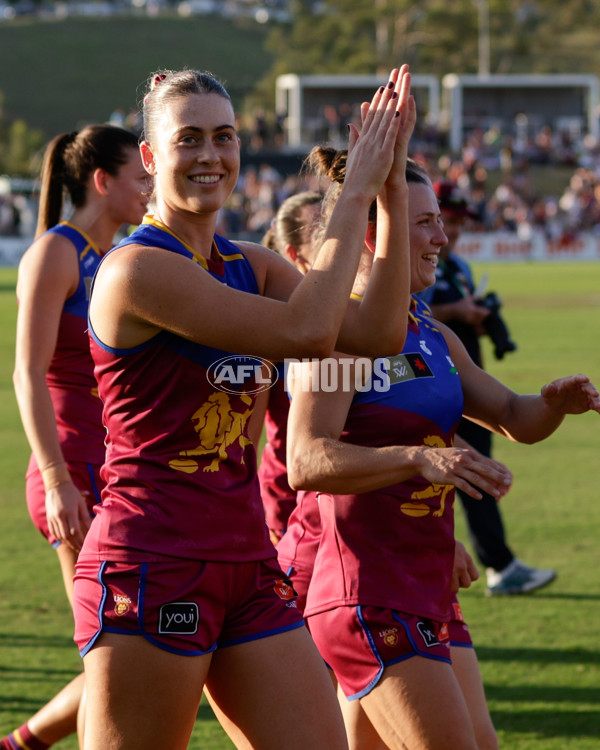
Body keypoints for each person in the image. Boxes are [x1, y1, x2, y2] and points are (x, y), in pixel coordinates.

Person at [72, 66, 416, 750]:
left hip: (247, 565)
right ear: (149, 157)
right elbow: (307, 333)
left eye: (224, 137)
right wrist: (352, 192)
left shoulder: (250, 265)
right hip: (150, 561)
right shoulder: (136, 269)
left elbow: (377, 336)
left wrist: (392, 191)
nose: (211, 155)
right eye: (189, 138)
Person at [285, 149, 600, 750]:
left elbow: (511, 415)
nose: (442, 235)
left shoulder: (432, 331)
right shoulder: (337, 338)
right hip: (368, 593)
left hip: (428, 589)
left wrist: (555, 401)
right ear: (377, 233)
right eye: (425, 221)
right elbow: (305, 460)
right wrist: (416, 457)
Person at [7, 124, 150, 750]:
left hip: (117, 470)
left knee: (129, 650)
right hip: (72, 474)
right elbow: (26, 372)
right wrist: (60, 481)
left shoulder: (122, 256)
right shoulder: (57, 251)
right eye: (140, 177)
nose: (150, 188)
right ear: (103, 181)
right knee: (112, 655)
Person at [420, 180, 557, 596]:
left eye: (459, 222)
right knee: (469, 472)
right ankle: (498, 564)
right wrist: (455, 311)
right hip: (429, 380)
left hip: (468, 380)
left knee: (476, 472)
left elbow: (515, 415)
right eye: (447, 219)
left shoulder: (457, 266)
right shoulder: (422, 264)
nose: (454, 231)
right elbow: (406, 317)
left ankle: (493, 561)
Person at [258, 190, 323, 542]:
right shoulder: (271, 326)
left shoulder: (356, 318)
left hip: (349, 498)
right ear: (293, 255)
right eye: (320, 231)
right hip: (288, 503)